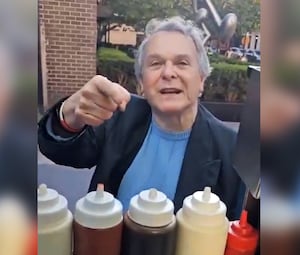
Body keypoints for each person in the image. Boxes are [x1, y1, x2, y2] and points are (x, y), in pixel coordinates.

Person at [38, 17, 244, 220]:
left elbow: (238, 228)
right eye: (155, 63)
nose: (168, 73)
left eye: (182, 63)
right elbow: (59, 150)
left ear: (202, 80)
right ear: (141, 83)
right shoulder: (118, 116)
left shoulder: (231, 149)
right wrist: (69, 115)